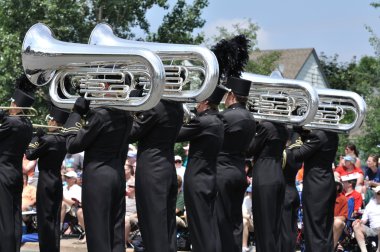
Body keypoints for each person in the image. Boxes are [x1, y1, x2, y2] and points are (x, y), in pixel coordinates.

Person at [63, 96, 133, 252]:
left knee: (98, 232)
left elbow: (72, 145)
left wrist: (76, 113)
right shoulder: (126, 114)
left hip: (98, 177)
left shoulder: (101, 115)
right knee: (116, 233)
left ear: (107, 84)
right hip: (117, 174)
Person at [128, 98, 183, 252]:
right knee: (167, 226)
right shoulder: (177, 105)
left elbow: (131, 133)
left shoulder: (156, 106)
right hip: (166, 168)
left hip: (152, 170)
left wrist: (130, 108)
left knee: (152, 225)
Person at [176, 85, 225, 252]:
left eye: (198, 102)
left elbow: (176, 135)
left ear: (205, 102)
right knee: (209, 226)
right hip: (210, 177)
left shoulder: (203, 121)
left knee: (199, 227)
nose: (196, 106)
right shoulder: (218, 121)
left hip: (197, 178)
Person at [215, 77, 256, 252]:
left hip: (222, 171)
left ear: (231, 95)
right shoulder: (251, 118)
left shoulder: (225, 116)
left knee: (220, 218)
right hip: (239, 172)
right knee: (236, 220)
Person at [25, 104, 69, 252]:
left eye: (50, 120)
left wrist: (36, 136)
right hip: (57, 179)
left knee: (45, 218)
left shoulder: (49, 139)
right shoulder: (64, 139)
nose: (48, 122)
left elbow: (30, 154)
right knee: (55, 218)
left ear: (54, 122)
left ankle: (46, 249)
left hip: (45, 181)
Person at [0, 74, 35, 252]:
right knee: (14, 216)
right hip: (15, 173)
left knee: (4, 218)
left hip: (3, 173)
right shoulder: (27, 124)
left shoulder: (11, 122)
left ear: (15, 104)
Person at [291, 128, 339, 252]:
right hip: (326, 182)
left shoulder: (318, 135)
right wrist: (305, 134)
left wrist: (296, 133)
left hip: (316, 186)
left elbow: (297, 155)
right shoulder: (332, 133)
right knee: (325, 230)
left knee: (314, 229)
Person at [279, 132, 303, 252]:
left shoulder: (286, 153)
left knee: (285, 228)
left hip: (286, 193)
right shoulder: (298, 155)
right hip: (294, 190)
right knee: (292, 228)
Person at [352, 186, 380, 252]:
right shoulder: (370, 204)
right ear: (375, 193)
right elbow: (364, 220)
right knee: (357, 226)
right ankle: (364, 250)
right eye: (378, 193)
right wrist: (359, 221)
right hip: (373, 229)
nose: (379, 195)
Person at [333, 176, 348, 250]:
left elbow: (343, 217)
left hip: (336, 223)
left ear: (338, 187)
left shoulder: (343, 199)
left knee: (338, 222)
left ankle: (331, 248)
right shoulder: (321, 197)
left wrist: (332, 218)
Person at [125, 178, 137, 245]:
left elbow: (140, 212)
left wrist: (132, 216)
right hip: (123, 216)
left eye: (131, 186)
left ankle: (123, 243)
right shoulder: (124, 198)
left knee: (126, 219)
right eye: (128, 186)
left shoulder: (139, 200)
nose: (129, 187)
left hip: (133, 217)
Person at [242, 185, 253, 252]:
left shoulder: (261, 198)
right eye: (248, 192)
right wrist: (249, 217)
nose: (249, 193)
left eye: (251, 192)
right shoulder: (246, 199)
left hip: (260, 222)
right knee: (244, 221)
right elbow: (243, 214)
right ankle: (244, 247)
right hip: (251, 222)